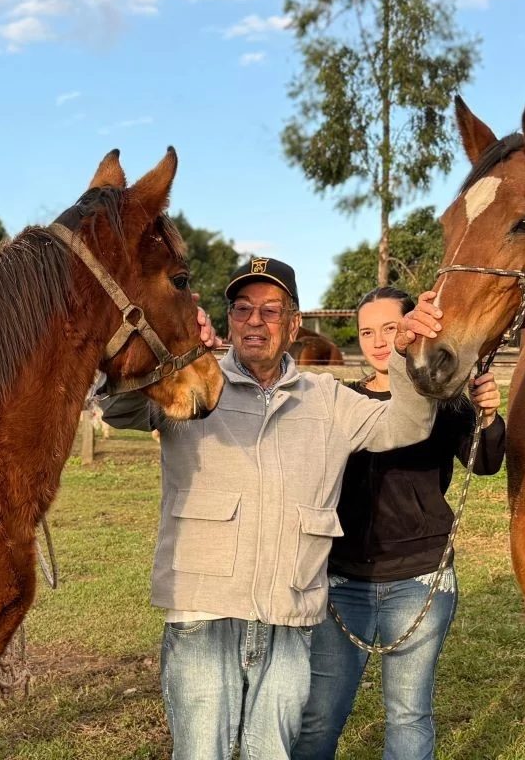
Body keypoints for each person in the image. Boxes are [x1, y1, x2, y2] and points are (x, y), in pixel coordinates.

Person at [100, 258, 443, 760]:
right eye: (242, 309)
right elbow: (121, 408)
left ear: (295, 324)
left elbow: (407, 425)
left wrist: (407, 359)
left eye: (270, 310)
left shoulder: (327, 399)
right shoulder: (194, 381)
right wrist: (168, 338)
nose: (254, 321)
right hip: (204, 612)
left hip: (288, 615)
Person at [293, 286, 506, 760]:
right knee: (320, 714)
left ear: (414, 328)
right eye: (367, 331)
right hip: (342, 580)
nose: (378, 341)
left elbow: (486, 462)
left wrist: (489, 417)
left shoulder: (443, 402)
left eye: (390, 328)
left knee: (408, 714)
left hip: (419, 578)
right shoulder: (340, 402)